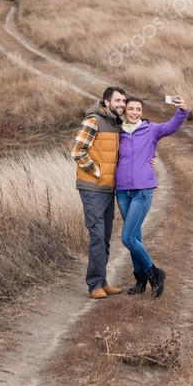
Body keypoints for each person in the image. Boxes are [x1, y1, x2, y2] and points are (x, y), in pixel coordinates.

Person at [114, 95, 189, 298]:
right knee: (135, 237)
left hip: (142, 192)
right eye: (131, 109)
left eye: (138, 109)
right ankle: (140, 281)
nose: (135, 112)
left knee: (127, 238)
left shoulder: (151, 130)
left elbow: (171, 126)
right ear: (124, 110)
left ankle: (155, 273)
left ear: (142, 112)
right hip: (122, 192)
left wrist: (181, 111)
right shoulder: (117, 132)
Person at [70, 86, 127, 299]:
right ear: (106, 102)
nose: (121, 104)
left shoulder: (115, 124)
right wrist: (97, 172)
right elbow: (77, 151)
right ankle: (94, 285)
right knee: (96, 236)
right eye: (118, 101)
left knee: (104, 237)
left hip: (107, 189)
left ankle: (102, 281)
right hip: (92, 188)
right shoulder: (93, 121)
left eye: (123, 101)